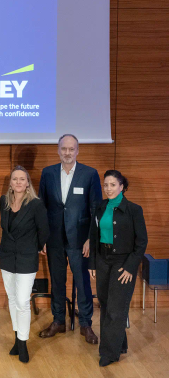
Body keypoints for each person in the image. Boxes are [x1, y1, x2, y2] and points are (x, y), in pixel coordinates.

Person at [38, 134, 102, 344]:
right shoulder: (47, 173)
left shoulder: (89, 174)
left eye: (71, 149)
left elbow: (96, 209)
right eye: (63, 149)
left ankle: (85, 324)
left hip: (80, 240)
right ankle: (58, 321)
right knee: (57, 281)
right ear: (58, 150)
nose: (67, 153)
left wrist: (91, 239)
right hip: (54, 238)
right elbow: (42, 207)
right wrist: (42, 237)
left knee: (83, 282)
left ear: (77, 151)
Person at [89, 170, 147, 367]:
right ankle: (120, 344)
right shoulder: (100, 207)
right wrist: (92, 263)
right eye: (106, 185)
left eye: (113, 185)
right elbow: (93, 237)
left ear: (122, 187)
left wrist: (130, 267)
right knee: (106, 304)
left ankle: (109, 353)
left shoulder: (134, 210)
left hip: (123, 263)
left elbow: (141, 242)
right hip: (102, 260)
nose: (108, 189)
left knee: (116, 309)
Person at [0, 166, 49, 363]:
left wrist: (37, 247)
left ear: (28, 183)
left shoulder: (36, 204)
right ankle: (17, 340)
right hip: (7, 257)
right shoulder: (4, 201)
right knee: (12, 299)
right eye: (15, 179)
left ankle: (23, 342)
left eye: (22, 179)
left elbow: (44, 230)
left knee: (22, 301)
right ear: (10, 183)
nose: (18, 182)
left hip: (27, 257)